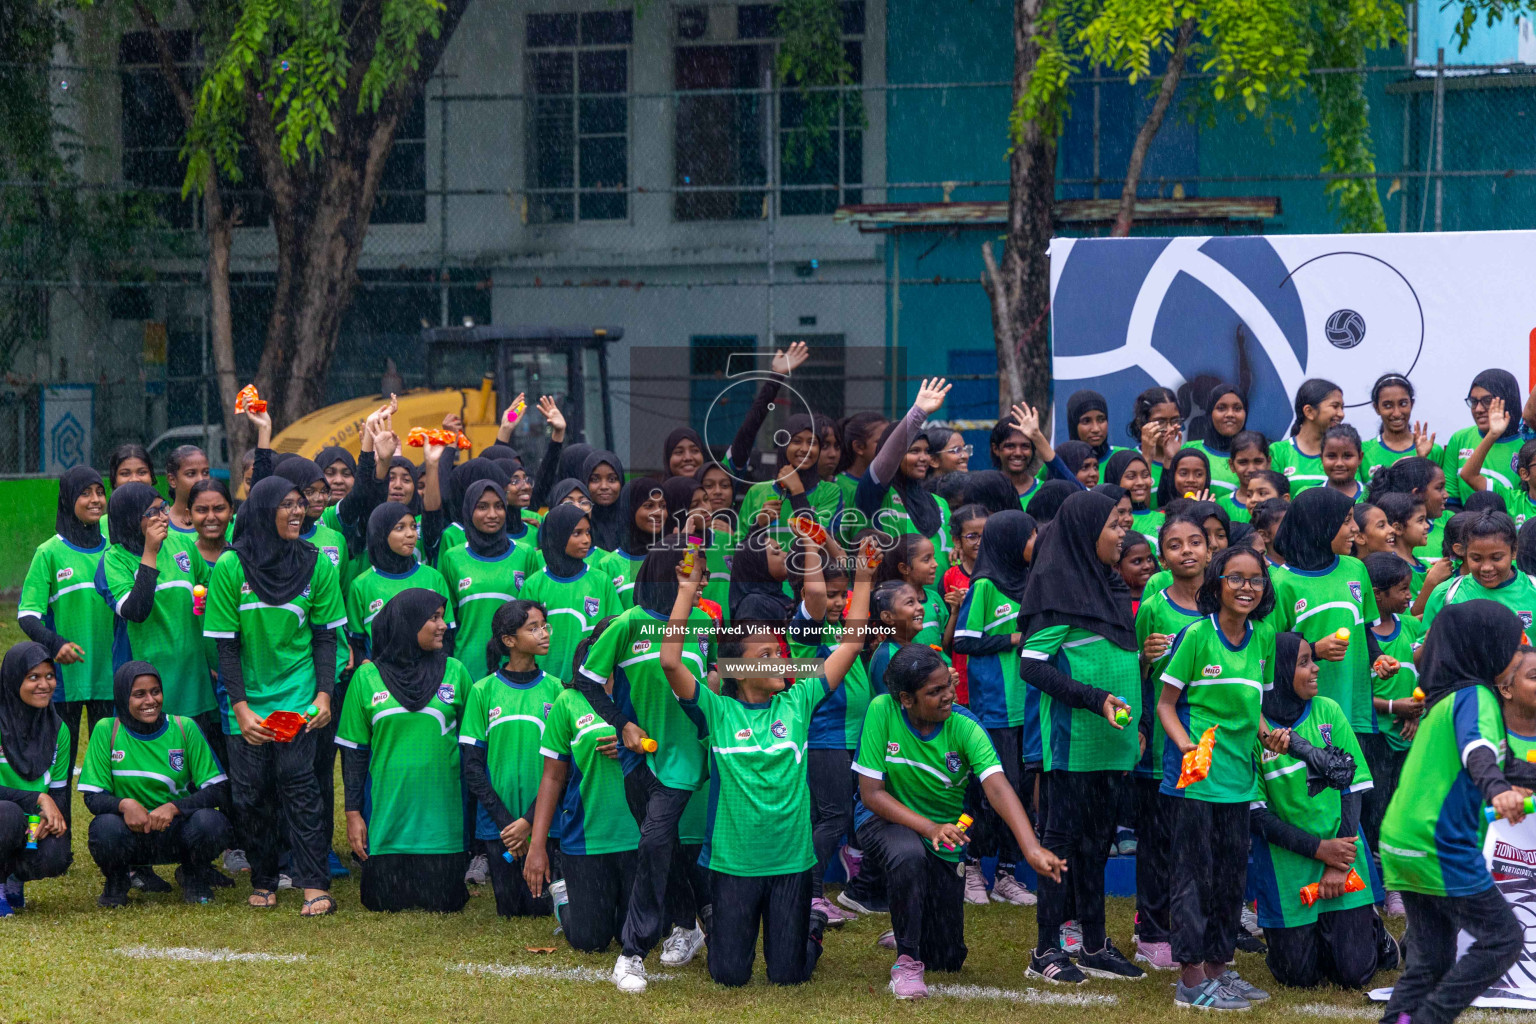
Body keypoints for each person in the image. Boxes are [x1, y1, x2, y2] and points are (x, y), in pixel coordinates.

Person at [659, 540, 872, 987]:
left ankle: (809, 929)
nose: (781, 660)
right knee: (729, 975)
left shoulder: (800, 699)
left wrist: (865, 579)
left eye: (779, 651)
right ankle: (718, 920)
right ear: (736, 670)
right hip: (733, 865)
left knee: (788, 975)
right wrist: (685, 591)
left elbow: (851, 643)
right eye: (766, 656)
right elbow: (670, 661)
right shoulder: (717, 711)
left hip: (791, 863)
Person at [856, 643, 1066, 998]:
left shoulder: (965, 726)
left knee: (948, 958)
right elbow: (872, 794)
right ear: (906, 699)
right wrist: (928, 827)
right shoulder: (882, 710)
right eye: (934, 691)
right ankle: (906, 960)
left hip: (943, 834)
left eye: (947, 686)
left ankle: (911, 926)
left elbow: (998, 788)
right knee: (908, 855)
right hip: (884, 819)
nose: (947, 696)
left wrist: (1030, 847)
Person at [573, 546, 718, 989]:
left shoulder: (705, 625)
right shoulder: (626, 623)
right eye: (696, 574)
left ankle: (632, 952)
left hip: (686, 757)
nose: (704, 584)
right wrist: (624, 725)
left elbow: (713, 682)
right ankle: (690, 923)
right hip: (639, 758)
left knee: (654, 842)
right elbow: (586, 681)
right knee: (661, 845)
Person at [1378, 600, 1528, 1024]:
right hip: (1437, 843)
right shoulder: (1475, 696)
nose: (1520, 653)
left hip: (1402, 842)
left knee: (1433, 959)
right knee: (1503, 939)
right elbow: (1478, 753)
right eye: (1514, 645)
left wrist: (1508, 780)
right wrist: (1496, 789)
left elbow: (1507, 764)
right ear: (1486, 648)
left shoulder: (1446, 700)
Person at [1017, 490, 1142, 983]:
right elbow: (1032, 665)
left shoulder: (1109, 584)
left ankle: (1092, 944)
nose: (1122, 535)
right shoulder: (1056, 585)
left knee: (1098, 847)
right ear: (1085, 531)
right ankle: (1045, 950)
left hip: (1112, 744)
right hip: (1070, 746)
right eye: (1113, 525)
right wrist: (1094, 699)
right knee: (1061, 848)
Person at [204, 475, 343, 916]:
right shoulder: (231, 567)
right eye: (286, 505)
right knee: (250, 793)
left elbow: (324, 638)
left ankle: (312, 883)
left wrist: (323, 695)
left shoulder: (318, 563)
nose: (298, 512)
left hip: (298, 693)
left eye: (300, 504)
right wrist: (240, 708)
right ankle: (264, 877)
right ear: (264, 511)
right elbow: (226, 645)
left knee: (299, 784)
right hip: (246, 700)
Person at [1157, 544, 1279, 1009]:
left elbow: (1256, 714)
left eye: (1255, 579)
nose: (1246, 587)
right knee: (1193, 877)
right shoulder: (1196, 636)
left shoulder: (1263, 637)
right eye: (1236, 578)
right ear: (1217, 583)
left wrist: (1272, 736)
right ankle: (1189, 980)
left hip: (1240, 780)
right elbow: (1166, 705)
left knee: (1230, 878)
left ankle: (1217, 969)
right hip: (1195, 779)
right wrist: (1184, 743)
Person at [1250, 633, 1387, 989]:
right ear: (1276, 672)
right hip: (1288, 867)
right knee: (1298, 977)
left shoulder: (1328, 710)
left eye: (1313, 659)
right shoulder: (1254, 729)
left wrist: (1336, 859)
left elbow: (1353, 787)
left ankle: (1373, 931)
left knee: (1354, 974)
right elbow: (1258, 816)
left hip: (1342, 857)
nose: (1315, 669)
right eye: (1304, 662)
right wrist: (1317, 850)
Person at [336, 589, 470, 913]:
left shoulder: (456, 671)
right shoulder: (366, 678)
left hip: (443, 829)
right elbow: (354, 753)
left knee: (444, 904)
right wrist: (353, 814)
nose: (443, 626)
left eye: (442, 617)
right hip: (387, 826)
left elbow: (472, 752)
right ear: (407, 623)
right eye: (434, 618)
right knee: (381, 902)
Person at [523, 618, 638, 955]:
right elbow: (552, 777)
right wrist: (537, 845)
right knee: (591, 940)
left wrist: (637, 745)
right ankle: (565, 896)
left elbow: (672, 747)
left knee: (638, 933)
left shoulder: (643, 692)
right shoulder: (569, 701)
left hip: (639, 836)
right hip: (587, 839)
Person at [79, 662, 232, 907]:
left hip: (175, 831)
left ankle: (193, 875)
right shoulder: (107, 729)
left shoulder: (184, 727)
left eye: (155, 691)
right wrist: (125, 805)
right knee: (104, 827)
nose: (150, 700)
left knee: (211, 823)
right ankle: (118, 882)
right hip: (130, 832)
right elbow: (93, 797)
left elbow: (218, 789)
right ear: (122, 696)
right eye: (139, 694)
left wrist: (174, 807)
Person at [1130, 514, 1211, 971]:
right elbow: (1140, 677)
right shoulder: (1153, 608)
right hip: (1167, 747)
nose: (1187, 551)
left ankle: (1201, 929)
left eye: (1196, 541)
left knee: (1205, 842)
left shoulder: (1224, 605)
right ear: (1163, 557)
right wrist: (1146, 656)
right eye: (1176, 545)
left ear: (1209, 550)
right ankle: (1153, 930)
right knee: (1160, 840)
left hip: (1215, 745)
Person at [953, 509, 1039, 908]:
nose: (1035, 542)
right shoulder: (984, 585)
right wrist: (1010, 639)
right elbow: (963, 641)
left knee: (1021, 792)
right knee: (987, 793)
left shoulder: (1031, 582)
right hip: (995, 709)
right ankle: (969, 865)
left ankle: (1006, 874)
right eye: (1029, 536)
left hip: (1029, 705)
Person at [461, 599, 564, 918]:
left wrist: (530, 821)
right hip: (499, 826)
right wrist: (509, 823)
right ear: (509, 640)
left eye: (545, 626)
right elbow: (472, 765)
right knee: (510, 908)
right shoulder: (482, 691)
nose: (544, 633)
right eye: (534, 628)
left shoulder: (557, 690)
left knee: (542, 907)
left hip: (547, 822)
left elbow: (564, 768)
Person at [18, 466, 114, 777]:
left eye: (100, 491)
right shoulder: (49, 552)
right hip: (65, 681)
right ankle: (54, 828)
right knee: (55, 776)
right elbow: (27, 615)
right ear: (68, 499)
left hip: (112, 677)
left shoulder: (116, 550)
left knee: (115, 774)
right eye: (85, 493)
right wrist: (55, 643)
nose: (95, 499)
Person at [98, 482, 217, 730]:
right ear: (130, 519)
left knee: (197, 752)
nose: (163, 517)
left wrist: (206, 595)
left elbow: (207, 584)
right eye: (151, 513)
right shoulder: (113, 560)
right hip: (145, 681)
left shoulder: (182, 545)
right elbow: (136, 611)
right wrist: (149, 551)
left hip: (191, 675)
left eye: (163, 508)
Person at [1269, 488, 1384, 741]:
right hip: (1307, 714)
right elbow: (1270, 651)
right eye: (1346, 521)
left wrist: (1378, 659)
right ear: (1317, 526)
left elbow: (1363, 628)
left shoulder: (1355, 568)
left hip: (1356, 708)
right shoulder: (1281, 583)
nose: (1355, 528)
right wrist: (1314, 650)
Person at [1364, 551, 1424, 918]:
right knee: (1377, 813)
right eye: (1402, 589)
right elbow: (1355, 695)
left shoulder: (1410, 628)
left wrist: (1417, 711)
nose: (1408, 595)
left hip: (1408, 737)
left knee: (1404, 810)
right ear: (1376, 593)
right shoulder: (1363, 637)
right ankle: (1381, 887)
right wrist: (1392, 708)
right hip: (1376, 738)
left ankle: (1403, 882)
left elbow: (1423, 675)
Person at [852, 379, 952, 574]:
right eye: (913, 451)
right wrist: (917, 414)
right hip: (893, 597)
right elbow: (885, 463)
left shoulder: (940, 503)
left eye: (926, 451)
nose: (923, 458)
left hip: (937, 602)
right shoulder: (876, 495)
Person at [0, 643, 72, 915]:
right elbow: (43, 796)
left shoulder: (58, 729)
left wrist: (52, 819)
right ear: (13, 678)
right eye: (33, 677)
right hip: (5, 816)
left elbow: (59, 791)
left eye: (50, 676)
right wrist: (38, 799)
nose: (45, 684)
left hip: (30, 822)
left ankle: (14, 880)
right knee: (7, 815)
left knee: (57, 854)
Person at [518, 504, 623, 681]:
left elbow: (615, 631)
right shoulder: (534, 585)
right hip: (546, 682)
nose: (586, 540)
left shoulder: (601, 580)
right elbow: (523, 638)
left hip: (593, 684)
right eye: (577, 533)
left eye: (588, 532)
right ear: (557, 535)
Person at [442, 480, 541, 663]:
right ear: (469, 510)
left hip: (515, 663)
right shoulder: (453, 558)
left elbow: (536, 618)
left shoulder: (525, 553)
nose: (492, 514)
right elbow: (448, 621)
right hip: (468, 662)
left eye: (498, 506)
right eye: (482, 507)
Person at [346, 501, 455, 663]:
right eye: (400, 528)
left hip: (428, 677)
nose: (411, 534)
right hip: (381, 679)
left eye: (413, 526)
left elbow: (447, 635)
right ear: (380, 533)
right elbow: (356, 641)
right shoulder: (361, 585)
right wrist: (366, 666)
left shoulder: (434, 577)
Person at [735, 415, 843, 550]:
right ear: (784, 445)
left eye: (812, 443)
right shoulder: (757, 491)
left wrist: (798, 492)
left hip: (810, 571)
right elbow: (739, 550)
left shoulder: (830, 492)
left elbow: (819, 542)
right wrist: (758, 525)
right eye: (797, 441)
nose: (805, 449)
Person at [1422, 510, 1536, 636]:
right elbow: (1420, 652)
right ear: (1464, 552)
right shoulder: (1446, 595)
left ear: (1514, 551)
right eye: (1476, 559)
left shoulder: (1533, 590)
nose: (1486, 567)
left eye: (1496, 558)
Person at [1441, 369, 1532, 510]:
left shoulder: (1528, 444)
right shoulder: (1460, 439)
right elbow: (1451, 502)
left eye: (1487, 401)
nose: (1478, 409)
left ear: (1508, 400)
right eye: (1473, 401)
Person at [595, 477, 668, 605]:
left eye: (662, 506)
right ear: (630, 509)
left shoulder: (670, 555)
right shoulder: (609, 564)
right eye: (649, 506)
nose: (658, 513)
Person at [1270, 379, 1345, 495]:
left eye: (1342, 407)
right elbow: (1272, 502)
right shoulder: (1277, 451)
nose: (1341, 414)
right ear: (1309, 411)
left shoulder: (1345, 452)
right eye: (1335, 406)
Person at [1362, 373, 1440, 483]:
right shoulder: (1363, 451)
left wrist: (1421, 459)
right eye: (1388, 405)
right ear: (1376, 408)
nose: (1397, 413)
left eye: (1403, 404)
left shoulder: (1433, 450)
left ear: (1411, 404)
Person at [1125, 386, 1183, 503]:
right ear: (1142, 422)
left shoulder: (1187, 458)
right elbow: (1141, 512)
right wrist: (1147, 457)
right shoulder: (1128, 461)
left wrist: (1170, 459)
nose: (1169, 428)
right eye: (1160, 422)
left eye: (1174, 420)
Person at [1190, 384, 1248, 495]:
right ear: (1210, 413)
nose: (1230, 414)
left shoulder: (1255, 457)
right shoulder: (1190, 450)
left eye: (1237, 408)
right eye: (1221, 408)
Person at [1102, 450, 1163, 551]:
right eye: (1131, 476)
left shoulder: (1162, 518)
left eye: (1145, 475)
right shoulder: (1111, 522)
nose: (1140, 482)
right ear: (1114, 478)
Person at [1217, 431, 1273, 523]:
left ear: (1268, 463)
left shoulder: (1276, 503)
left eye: (1258, 461)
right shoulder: (1223, 505)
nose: (1251, 469)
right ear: (1231, 465)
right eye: (1243, 462)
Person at [582, 450, 628, 552]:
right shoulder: (579, 524)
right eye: (595, 479)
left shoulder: (632, 520)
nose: (604, 486)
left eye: (612, 479)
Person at [164, 445, 211, 537]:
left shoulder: (221, 521)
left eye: (205, 473)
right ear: (172, 480)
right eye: (191, 474)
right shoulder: (161, 525)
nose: (201, 479)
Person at [188, 478, 235, 568]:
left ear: (231, 511)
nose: (211, 517)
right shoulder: (185, 562)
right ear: (189, 514)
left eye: (219, 509)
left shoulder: (240, 558)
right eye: (202, 510)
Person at [1322, 424, 1366, 501]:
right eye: (1331, 456)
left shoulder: (1371, 495)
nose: (1339, 463)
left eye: (1347, 456)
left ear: (1360, 458)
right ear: (1321, 458)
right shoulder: (1306, 495)